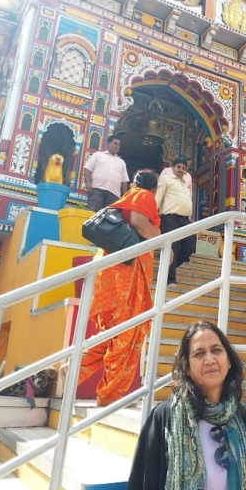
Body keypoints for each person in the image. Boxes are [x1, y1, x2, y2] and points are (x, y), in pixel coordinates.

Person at [121, 321, 246, 490]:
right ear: (187, 368)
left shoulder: (244, 418)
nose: (209, 360)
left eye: (216, 350)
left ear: (229, 362)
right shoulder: (164, 419)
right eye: (199, 354)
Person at [78, 169, 160, 406]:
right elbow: (137, 220)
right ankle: (111, 394)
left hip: (115, 267)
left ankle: (74, 368)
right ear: (154, 188)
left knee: (117, 331)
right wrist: (163, 243)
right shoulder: (144, 195)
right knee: (127, 331)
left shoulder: (128, 196)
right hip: (126, 270)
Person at [155, 157, 195, 288]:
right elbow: (158, 197)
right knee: (171, 248)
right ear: (173, 168)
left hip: (185, 219)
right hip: (169, 218)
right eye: (178, 167)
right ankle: (170, 280)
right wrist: (153, 215)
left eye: (184, 168)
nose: (181, 170)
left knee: (190, 247)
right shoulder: (165, 179)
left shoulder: (184, 184)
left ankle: (166, 269)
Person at [83, 135, 129, 212]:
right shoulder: (98, 155)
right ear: (108, 144)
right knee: (92, 213)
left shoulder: (121, 162)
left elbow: (124, 182)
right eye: (115, 143)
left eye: (118, 144)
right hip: (97, 189)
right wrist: (88, 184)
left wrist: (124, 198)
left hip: (114, 194)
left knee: (109, 217)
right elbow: (87, 169)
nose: (117, 146)